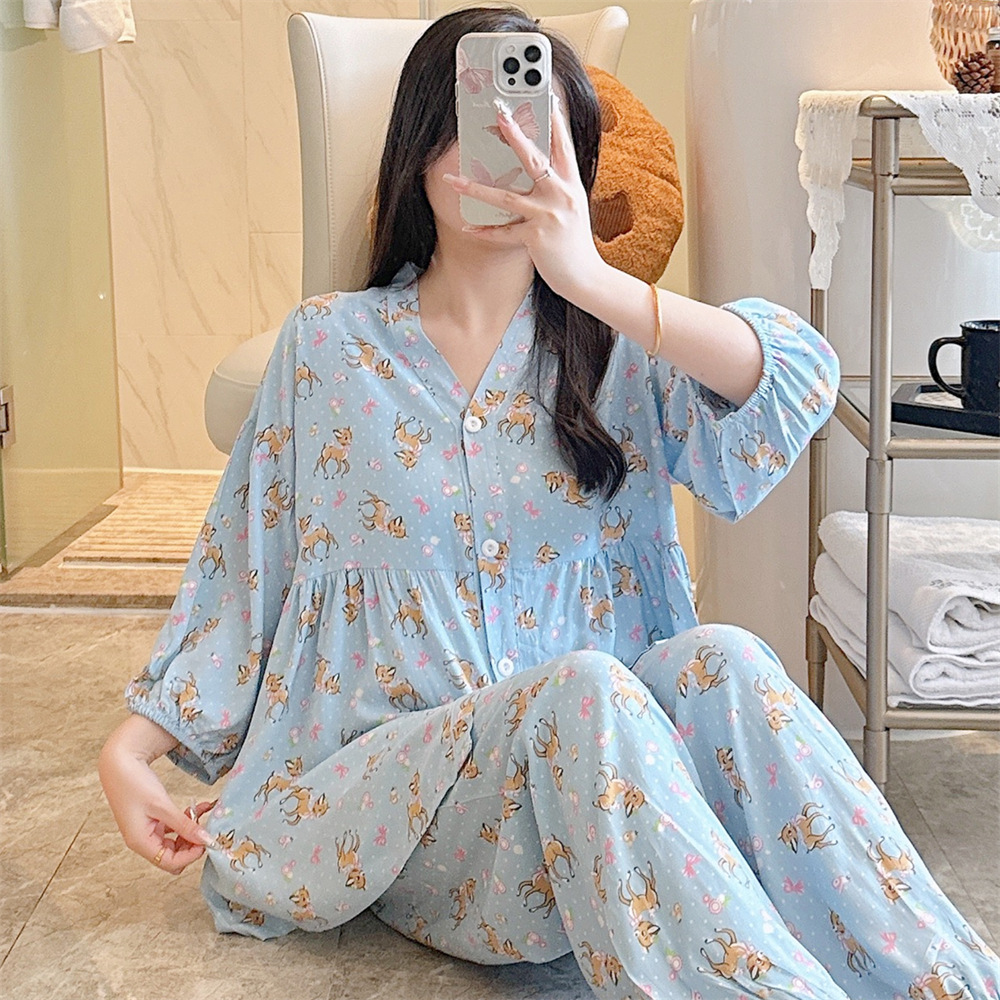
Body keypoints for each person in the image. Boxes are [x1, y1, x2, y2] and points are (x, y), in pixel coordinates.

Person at [98, 7, 999, 999]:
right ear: (416, 150)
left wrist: (595, 282)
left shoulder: (615, 346)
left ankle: (952, 985)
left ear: (573, 161)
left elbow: (795, 379)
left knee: (726, 659)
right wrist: (129, 751)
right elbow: (244, 564)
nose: (505, 156)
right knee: (585, 687)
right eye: (472, 124)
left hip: (609, 808)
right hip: (415, 818)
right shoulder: (328, 347)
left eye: (533, 130)